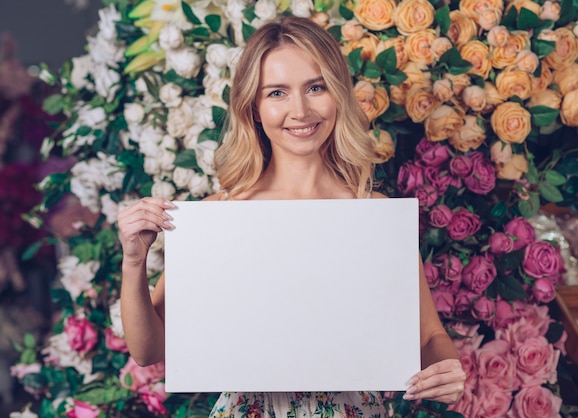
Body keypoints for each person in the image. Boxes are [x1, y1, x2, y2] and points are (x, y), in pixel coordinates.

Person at [118, 16, 465, 417]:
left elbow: (430, 336)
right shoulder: (221, 216)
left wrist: (447, 373)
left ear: (337, 93)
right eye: (277, 92)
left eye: (315, 87)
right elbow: (149, 351)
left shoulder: (373, 216)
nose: (299, 110)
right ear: (255, 106)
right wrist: (133, 261)